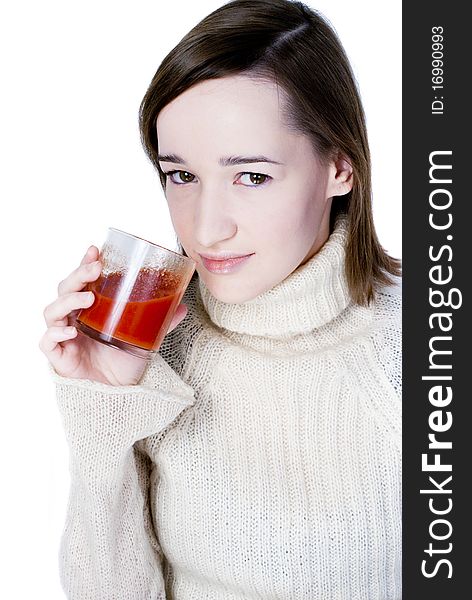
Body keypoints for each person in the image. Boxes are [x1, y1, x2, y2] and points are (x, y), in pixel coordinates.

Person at [39, 0, 402, 598]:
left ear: (340, 166)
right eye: (181, 175)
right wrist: (104, 405)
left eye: (251, 176)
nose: (205, 230)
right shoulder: (156, 347)